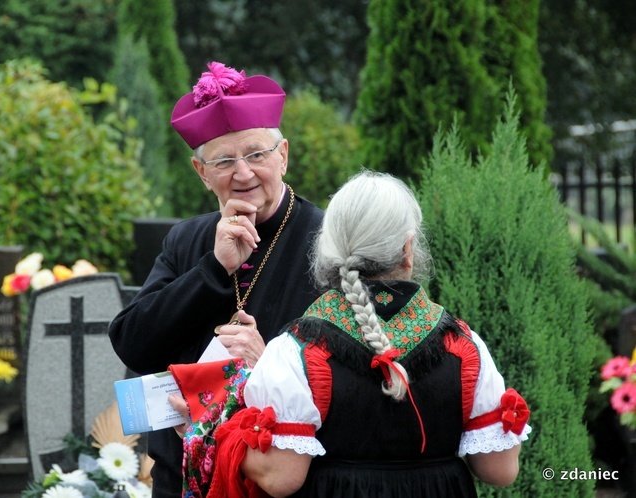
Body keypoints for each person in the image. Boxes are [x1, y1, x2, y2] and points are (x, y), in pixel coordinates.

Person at [200, 170, 531, 497]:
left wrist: (213, 433)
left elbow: (281, 477)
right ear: (407, 249)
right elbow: (500, 470)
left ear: (330, 249)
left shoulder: (298, 349)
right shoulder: (463, 346)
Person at [108, 61, 324, 498]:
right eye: (224, 161)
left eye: (256, 154)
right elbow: (133, 342)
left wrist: (269, 365)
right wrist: (214, 269)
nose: (242, 173)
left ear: (283, 155)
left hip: (277, 477)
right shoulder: (186, 239)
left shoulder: (327, 239)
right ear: (201, 172)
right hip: (182, 476)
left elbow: (352, 372)